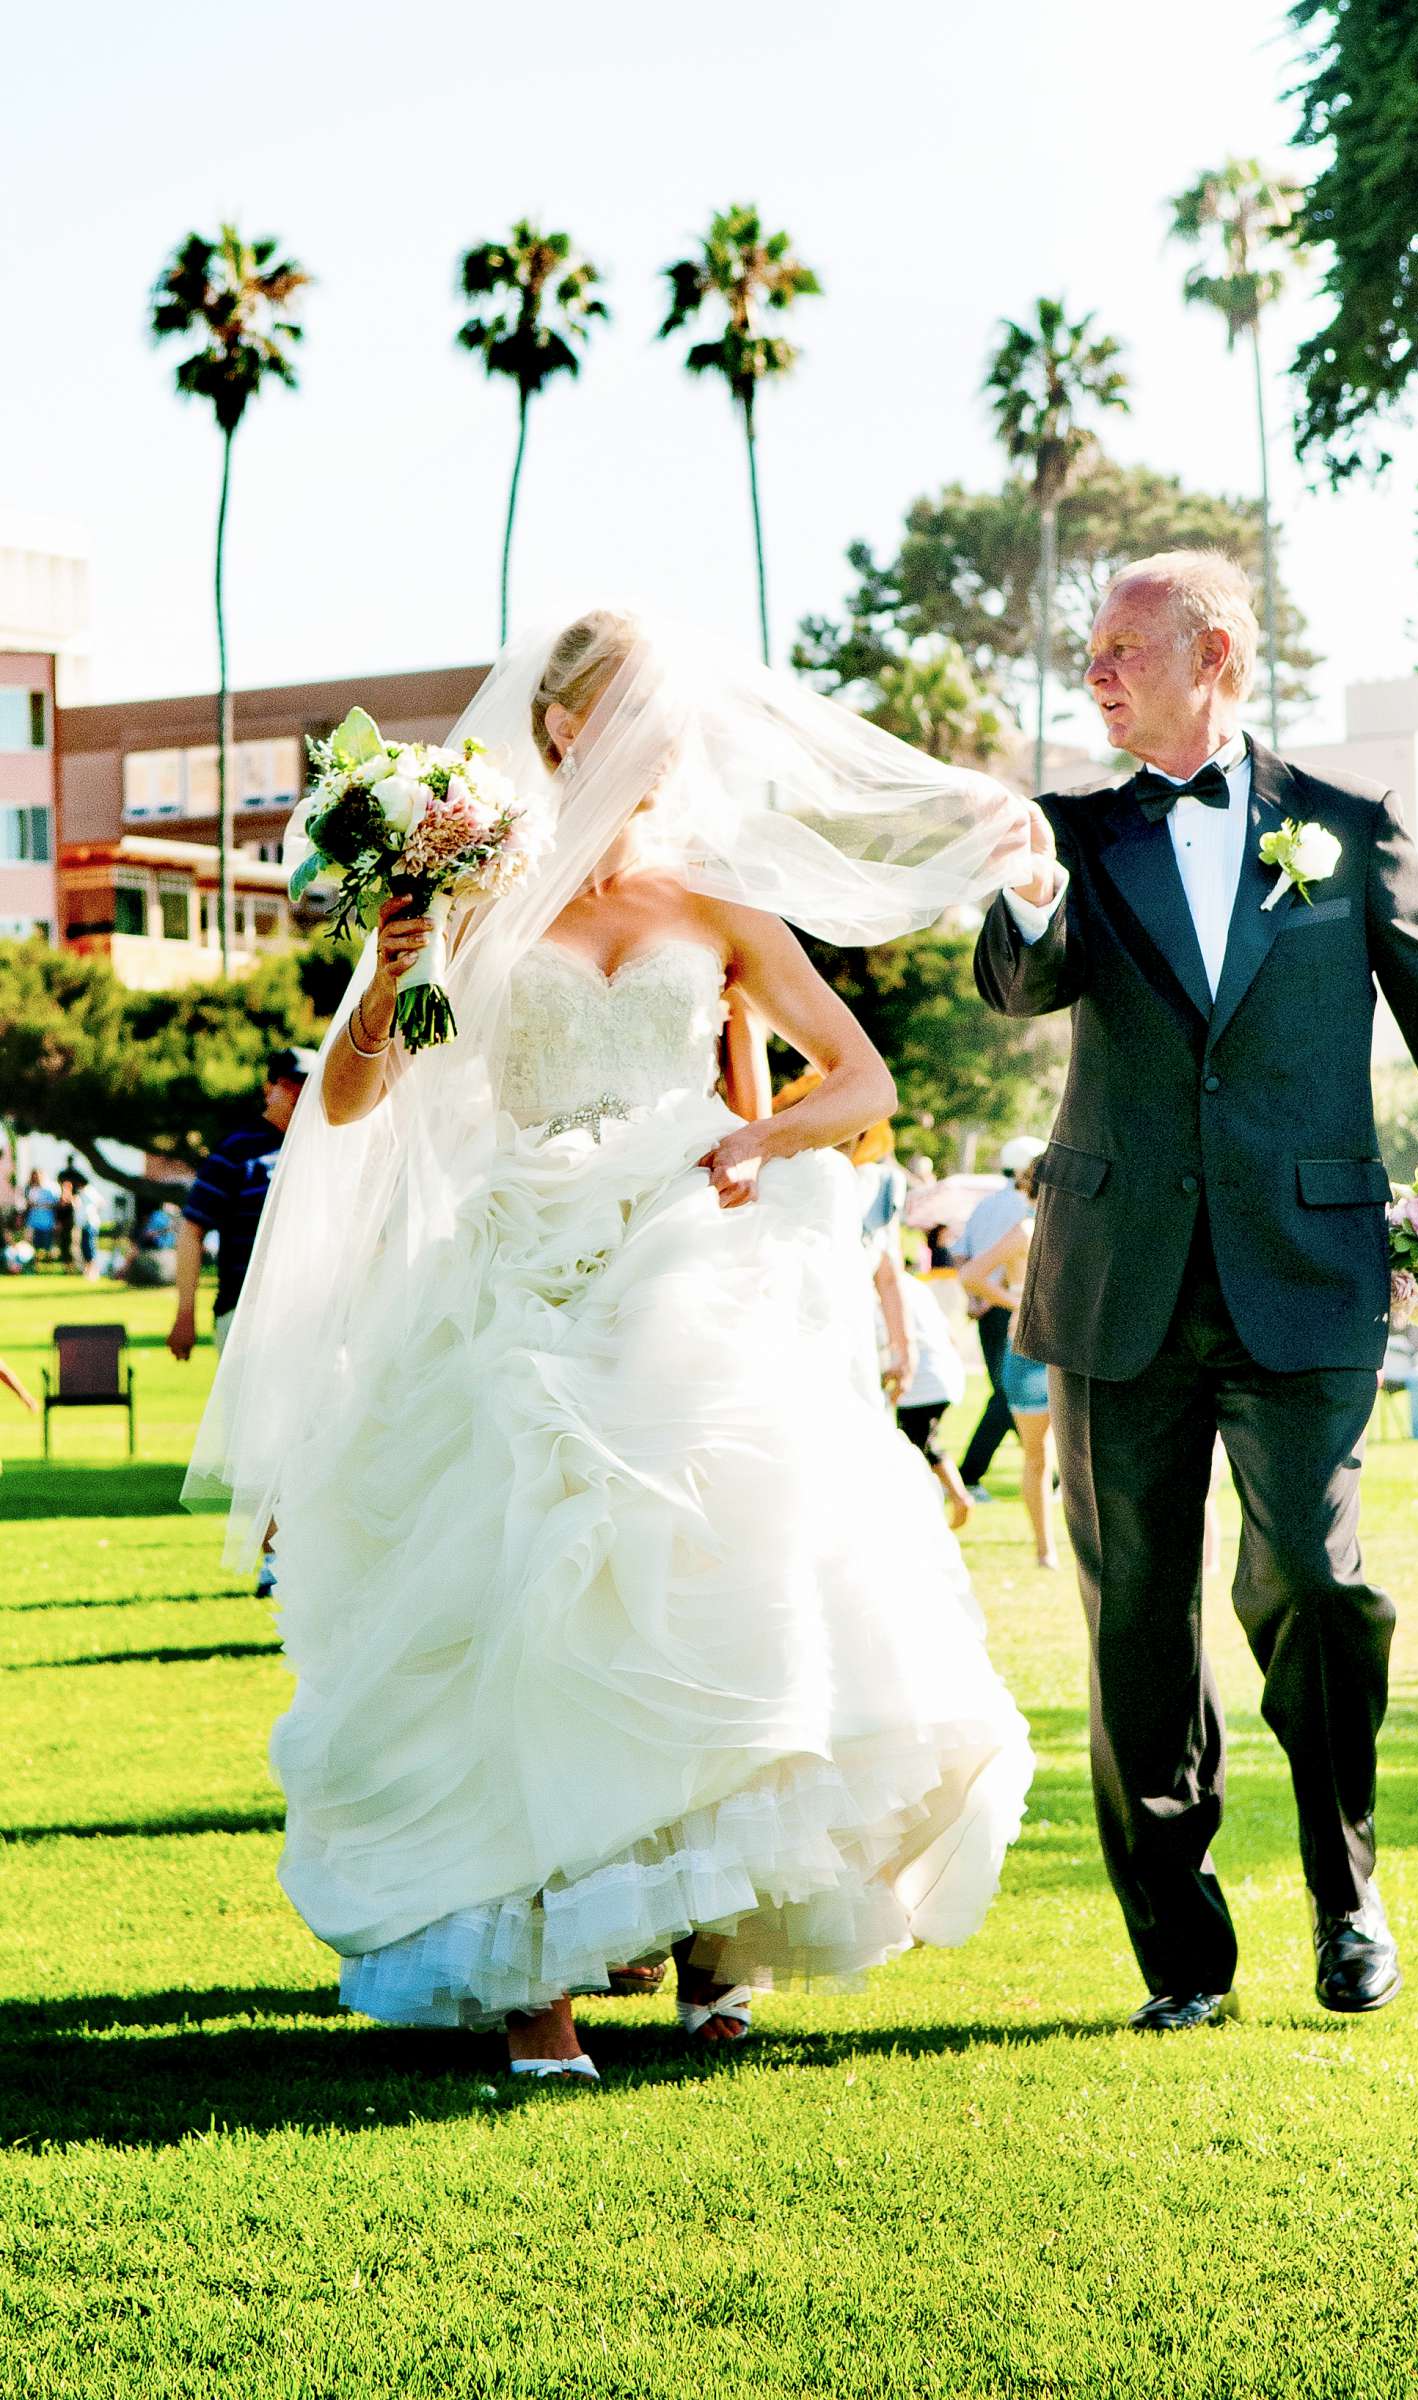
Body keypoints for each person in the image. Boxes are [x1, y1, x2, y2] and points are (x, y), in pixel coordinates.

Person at [185, 608, 1035, 2086]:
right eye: (626, 709)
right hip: (520, 1267)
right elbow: (349, 1107)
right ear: (563, 724)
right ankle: (538, 1985)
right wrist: (393, 971)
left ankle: (718, 1950)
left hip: (691, 1254)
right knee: (528, 1597)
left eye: (671, 711)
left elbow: (863, 1077)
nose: (659, 736)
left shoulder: (716, 898)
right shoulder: (470, 890)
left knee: (730, 1573)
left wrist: (758, 1138)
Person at [976, 547, 1418, 2031]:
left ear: (1215, 656)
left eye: (1122, 648)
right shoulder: (1067, 833)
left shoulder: (1347, 829)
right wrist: (1034, 902)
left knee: (1311, 1579)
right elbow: (1017, 986)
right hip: (1117, 1284)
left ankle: (1346, 1889)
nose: (1095, 673)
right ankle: (1181, 1951)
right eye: (1092, 653)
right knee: (1135, 1630)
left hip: (1306, 1275)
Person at [169, 1053, 314, 1369]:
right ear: (268, 1089)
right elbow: (192, 1231)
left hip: (313, 1315)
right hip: (247, 1314)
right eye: (290, 1085)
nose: (300, 1094)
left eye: (309, 1084)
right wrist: (185, 1312)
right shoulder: (236, 1154)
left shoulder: (325, 1146)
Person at [960, 1161, 1059, 1569]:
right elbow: (972, 1274)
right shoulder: (1026, 1231)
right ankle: (1045, 1550)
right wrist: (1020, 1301)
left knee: (1078, 1459)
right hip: (1031, 1354)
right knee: (1037, 1456)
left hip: (1073, 1355)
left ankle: (1086, 1549)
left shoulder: (1074, 1230)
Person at [957, 1136, 1046, 1503]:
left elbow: (962, 1255)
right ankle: (970, 1473)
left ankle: (982, 1472)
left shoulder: (984, 1204)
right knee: (1006, 1397)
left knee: (1004, 1394)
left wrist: (977, 1298)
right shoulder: (1027, 1216)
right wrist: (1011, 1298)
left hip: (995, 1307)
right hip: (1017, 1310)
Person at [891, 1267, 971, 1527]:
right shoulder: (916, 1286)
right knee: (920, 1443)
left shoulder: (884, 1292)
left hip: (921, 1382)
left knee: (919, 1445)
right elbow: (947, 1329)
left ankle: (959, 1499)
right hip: (942, 1373)